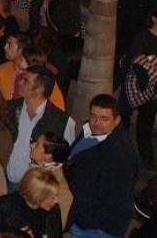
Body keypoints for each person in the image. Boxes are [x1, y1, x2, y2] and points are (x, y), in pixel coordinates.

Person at [66, 94, 137, 238]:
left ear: (116, 120)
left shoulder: (120, 153)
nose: (97, 122)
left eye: (104, 118)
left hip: (97, 228)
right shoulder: (89, 130)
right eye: (93, 116)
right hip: (81, 218)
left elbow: (116, 197)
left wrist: (85, 219)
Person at [5, 67, 74, 188]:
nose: (19, 82)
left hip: (35, 188)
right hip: (4, 181)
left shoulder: (62, 121)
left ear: (39, 90)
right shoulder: (9, 109)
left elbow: (64, 160)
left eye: (26, 81)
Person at [0, 167, 62, 238]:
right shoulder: (6, 206)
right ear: (38, 196)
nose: (56, 201)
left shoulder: (53, 211)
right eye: (52, 197)